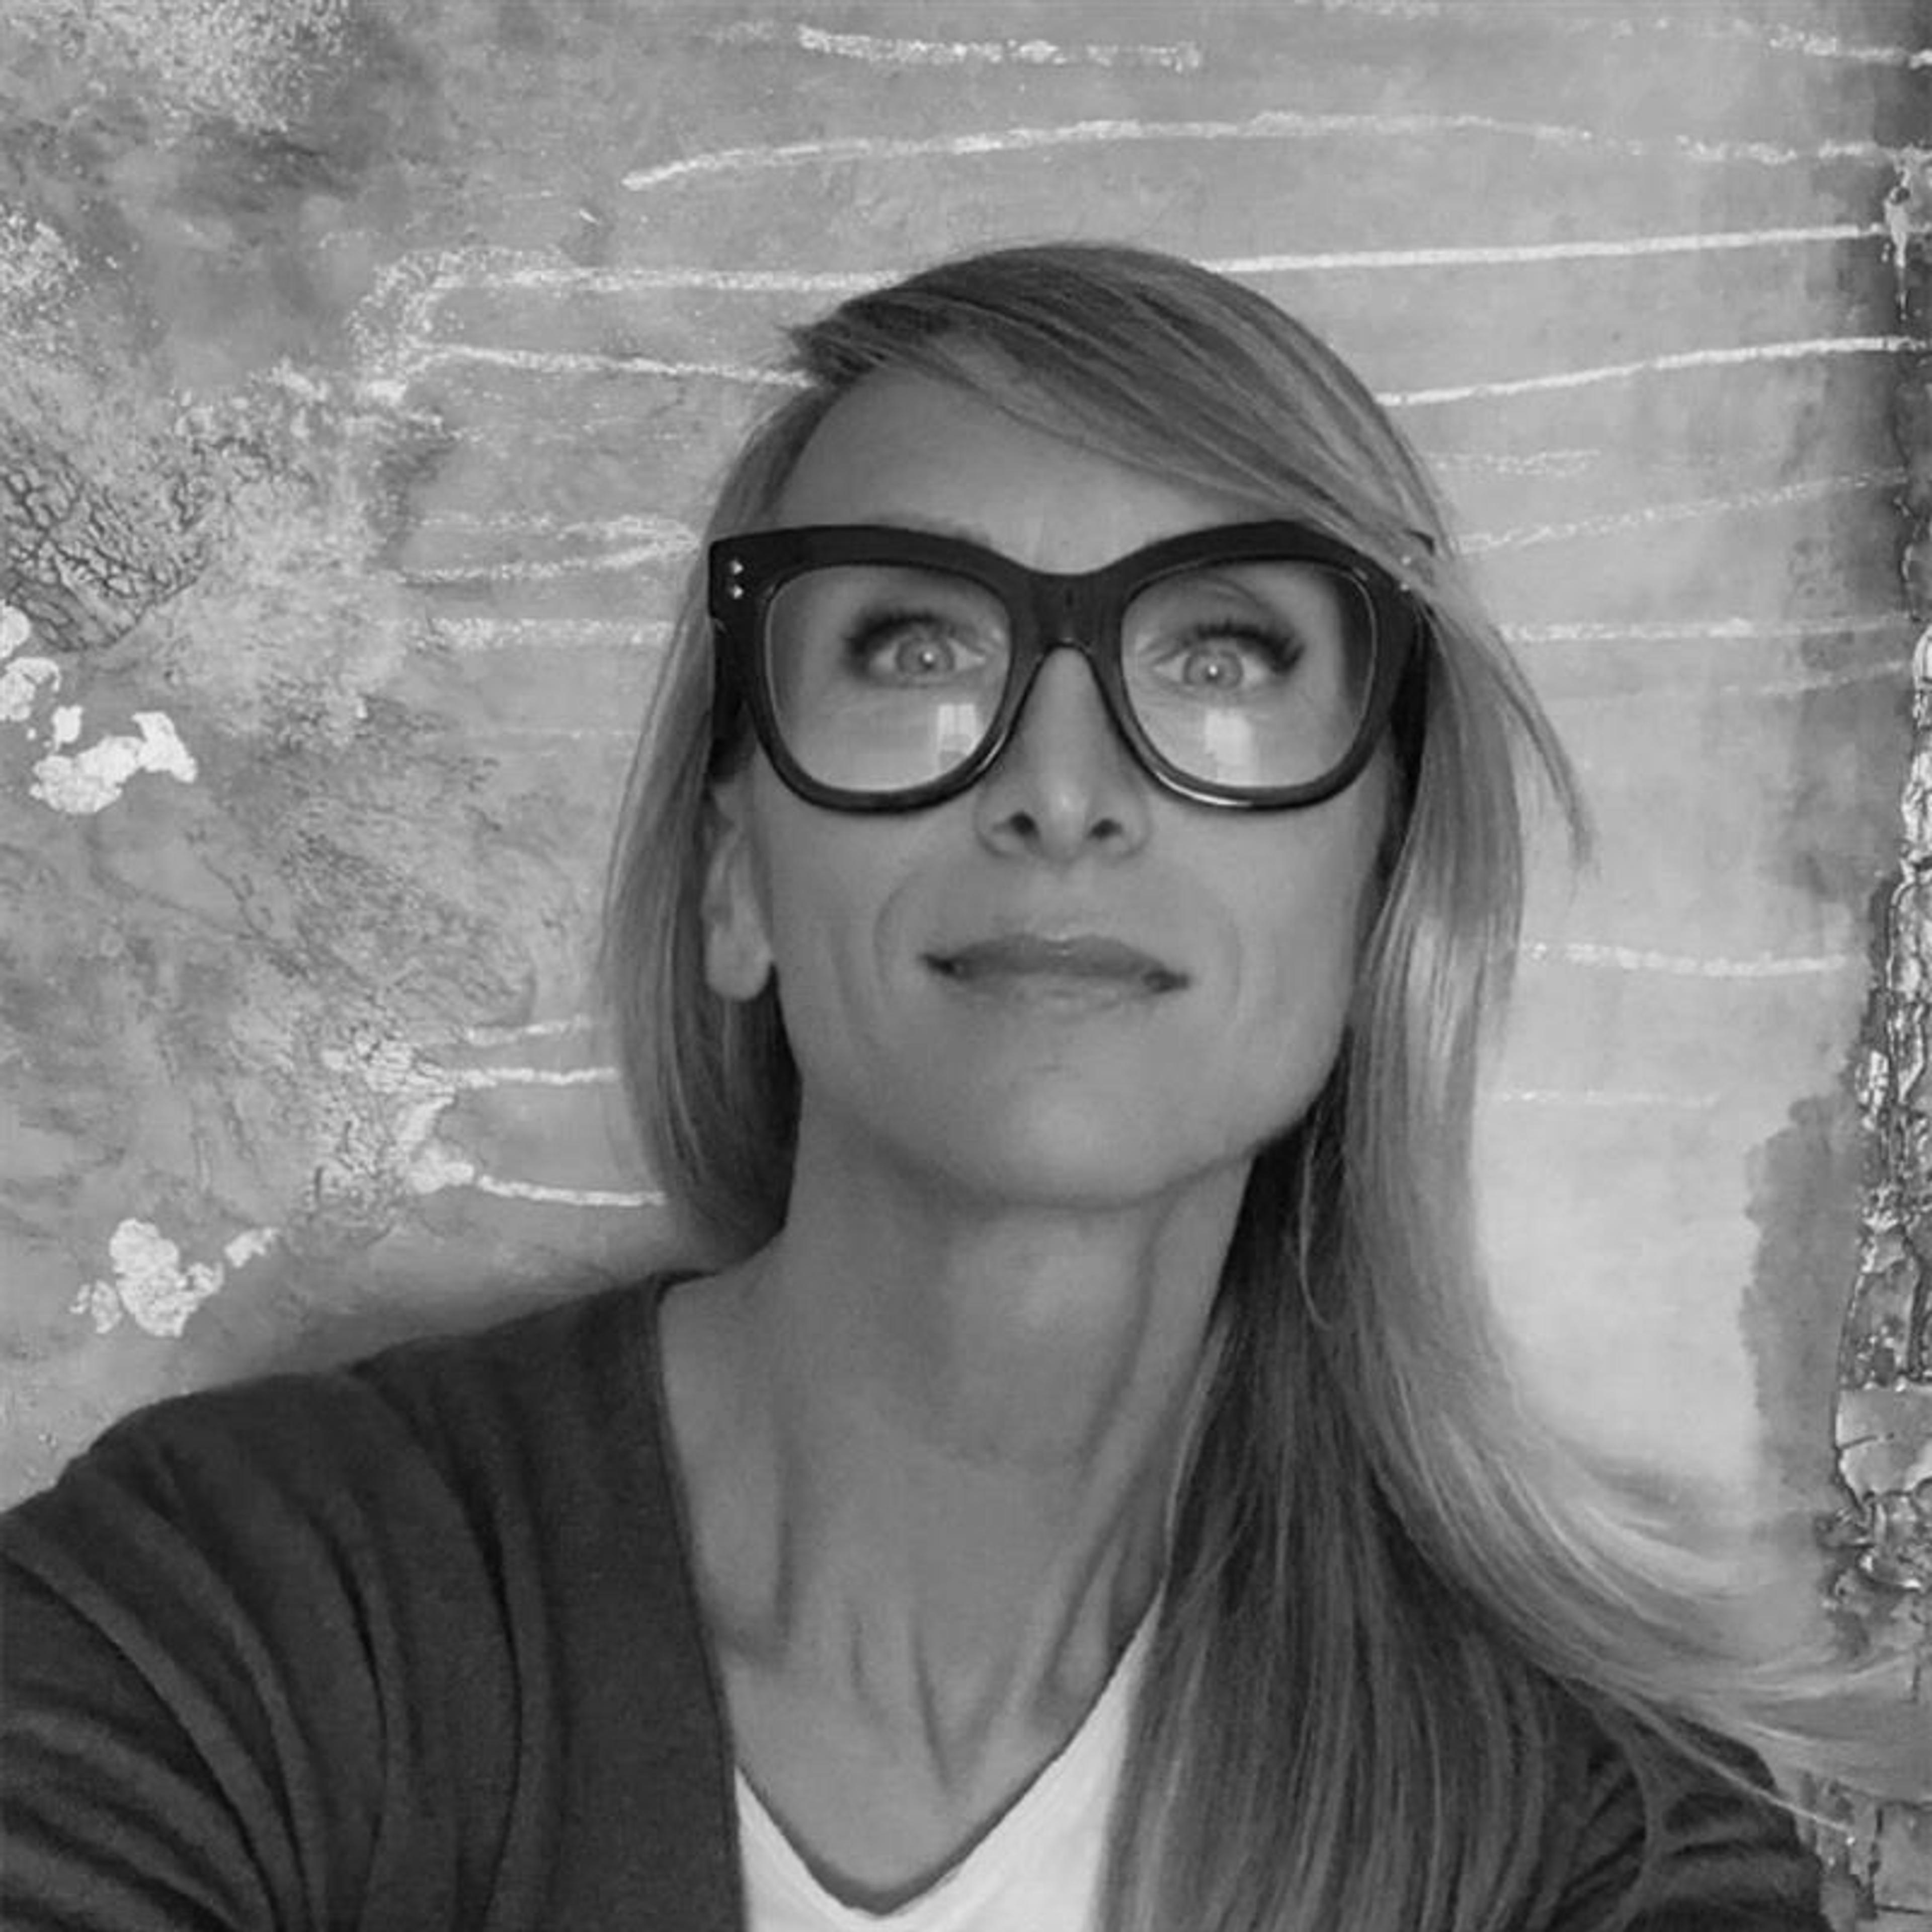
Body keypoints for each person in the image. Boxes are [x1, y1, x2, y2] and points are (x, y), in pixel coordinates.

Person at [2, 242, 1858, 1931]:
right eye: (916, 649)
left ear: (1381, 894)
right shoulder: (225, 1622)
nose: (1062, 789)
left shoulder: (1598, 1833)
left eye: (1220, 655)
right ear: (736, 876)